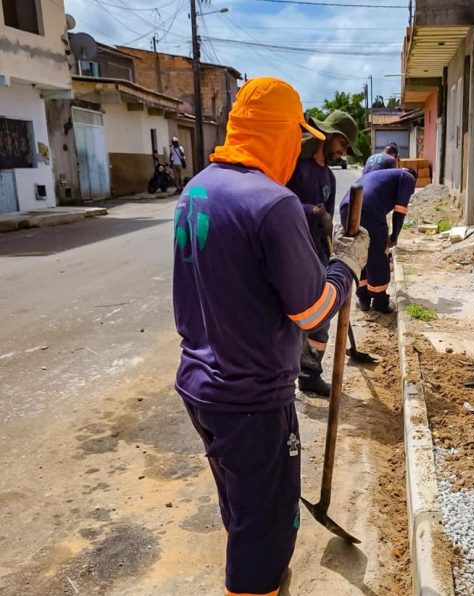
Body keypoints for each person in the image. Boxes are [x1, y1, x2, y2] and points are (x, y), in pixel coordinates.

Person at [172, 77, 369, 596]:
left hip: (201, 387)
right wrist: (346, 266)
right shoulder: (272, 202)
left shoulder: (197, 188)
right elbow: (312, 311)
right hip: (252, 400)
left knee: (243, 511)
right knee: (267, 533)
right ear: (282, 134)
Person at [286, 110, 361, 397]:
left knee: (322, 319)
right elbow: (275, 203)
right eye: (343, 145)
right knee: (294, 320)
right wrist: (309, 211)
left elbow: (327, 218)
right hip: (291, 254)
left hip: (316, 253)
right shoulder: (294, 165)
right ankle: (285, 375)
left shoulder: (328, 175)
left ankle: (310, 373)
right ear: (331, 136)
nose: (343, 153)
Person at [340, 167, 416, 314]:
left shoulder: (386, 175)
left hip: (346, 207)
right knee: (377, 255)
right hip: (368, 208)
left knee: (360, 253)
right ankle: (380, 301)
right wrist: (394, 236)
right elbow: (400, 211)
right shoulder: (408, 177)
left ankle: (363, 298)